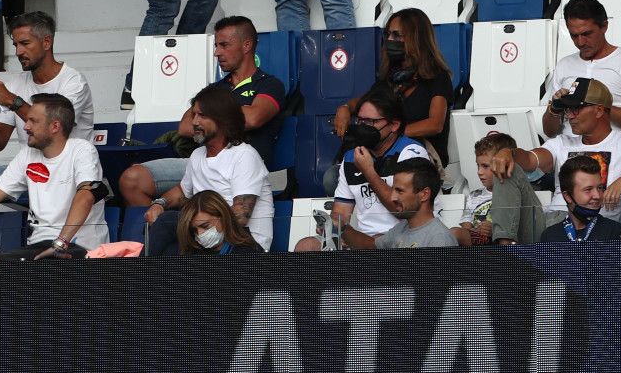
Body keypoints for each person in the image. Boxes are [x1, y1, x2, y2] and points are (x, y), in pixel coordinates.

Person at [123, 16, 288, 206]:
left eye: (224, 45)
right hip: (202, 165)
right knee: (131, 180)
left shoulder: (269, 84)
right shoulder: (216, 88)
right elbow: (185, 126)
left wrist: (210, 117)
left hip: (240, 168)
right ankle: (172, 229)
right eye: (216, 46)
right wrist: (233, 114)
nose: (217, 52)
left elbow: (253, 118)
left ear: (246, 46)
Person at [0, 14, 95, 214]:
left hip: (66, 171)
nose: (18, 51)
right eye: (15, 45)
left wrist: (13, 101)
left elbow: (53, 130)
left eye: (25, 43)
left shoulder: (73, 82)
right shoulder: (17, 82)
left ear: (46, 42)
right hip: (29, 169)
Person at [517, 78, 621, 237]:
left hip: (603, 231)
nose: (570, 116)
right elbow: (530, 161)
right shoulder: (561, 142)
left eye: (576, 108)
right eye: (567, 110)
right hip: (557, 224)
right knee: (509, 174)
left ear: (599, 110)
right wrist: (509, 154)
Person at [0, 95, 107, 262]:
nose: (26, 127)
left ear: (55, 126)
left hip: (79, 248)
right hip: (38, 249)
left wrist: (60, 243)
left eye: (33, 121)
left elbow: (86, 196)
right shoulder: (27, 155)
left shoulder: (81, 149)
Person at [139, 85, 274, 256]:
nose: (194, 122)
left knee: (167, 222)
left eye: (202, 115)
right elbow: (182, 191)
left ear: (222, 119)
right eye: (194, 115)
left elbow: (240, 216)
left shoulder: (244, 155)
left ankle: (136, 275)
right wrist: (160, 204)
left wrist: (194, 223)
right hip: (204, 239)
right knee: (168, 251)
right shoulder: (197, 155)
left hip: (241, 245)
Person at [293, 88, 427, 251]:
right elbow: (340, 214)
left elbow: (401, 209)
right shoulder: (352, 157)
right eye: (361, 121)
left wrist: (369, 172)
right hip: (364, 242)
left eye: (371, 122)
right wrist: (332, 227)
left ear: (394, 125)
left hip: (407, 238)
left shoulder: (411, 152)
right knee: (306, 246)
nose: (364, 127)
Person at [332, 9, 452, 162]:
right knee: (335, 174)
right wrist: (345, 108)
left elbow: (435, 124)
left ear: (416, 39)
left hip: (421, 156)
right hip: (389, 153)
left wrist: (392, 133)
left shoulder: (437, 77)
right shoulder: (392, 77)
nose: (390, 39)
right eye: (388, 34)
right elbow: (363, 102)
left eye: (396, 35)